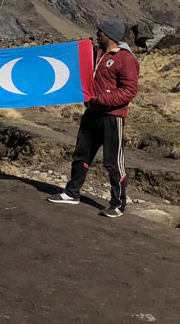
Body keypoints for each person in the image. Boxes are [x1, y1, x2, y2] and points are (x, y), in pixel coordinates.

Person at [49, 18, 139, 217]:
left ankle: (118, 203)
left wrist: (101, 99)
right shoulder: (96, 54)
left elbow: (130, 90)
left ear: (109, 35)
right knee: (81, 154)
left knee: (113, 161)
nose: (97, 34)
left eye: (101, 31)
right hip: (92, 113)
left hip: (112, 117)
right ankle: (72, 193)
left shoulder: (126, 59)